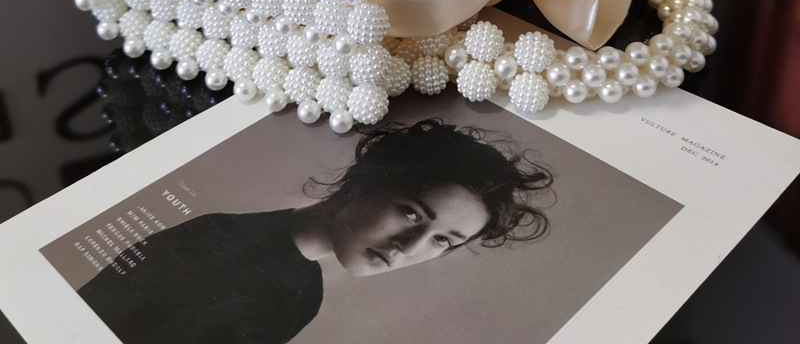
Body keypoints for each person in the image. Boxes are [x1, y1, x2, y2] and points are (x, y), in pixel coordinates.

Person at [78, 119, 553, 344]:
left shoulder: (305, 294)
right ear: (367, 182)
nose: (409, 248)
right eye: (412, 214)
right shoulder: (221, 240)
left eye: (442, 240)